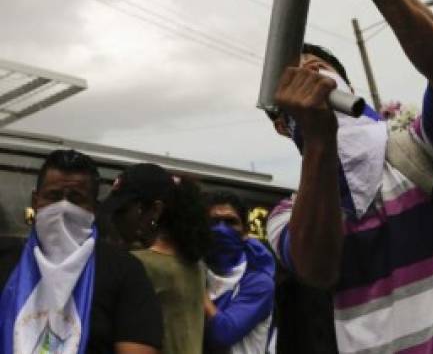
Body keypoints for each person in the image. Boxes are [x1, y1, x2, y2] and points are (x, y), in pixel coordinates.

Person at [266, 0, 433, 353]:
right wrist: (319, 143)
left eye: (317, 69)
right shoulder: (286, 216)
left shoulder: (422, 149)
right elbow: (319, 267)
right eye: (293, 83)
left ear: (347, 87)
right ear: (280, 122)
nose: (308, 78)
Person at [0, 149, 162, 354]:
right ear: (35, 201)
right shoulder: (5, 260)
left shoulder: (125, 272)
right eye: (54, 196)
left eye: (75, 199)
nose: (63, 207)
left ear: (94, 208)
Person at [102, 163, 210, 354]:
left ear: (155, 210)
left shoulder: (137, 265)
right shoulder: (194, 264)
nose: (115, 219)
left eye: (122, 211)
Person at [204, 191, 275, 354]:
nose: (221, 229)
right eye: (214, 222)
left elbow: (223, 333)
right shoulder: (196, 268)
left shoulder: (259, 281)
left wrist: (195, 289)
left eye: (230, 222)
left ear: (245, 231)